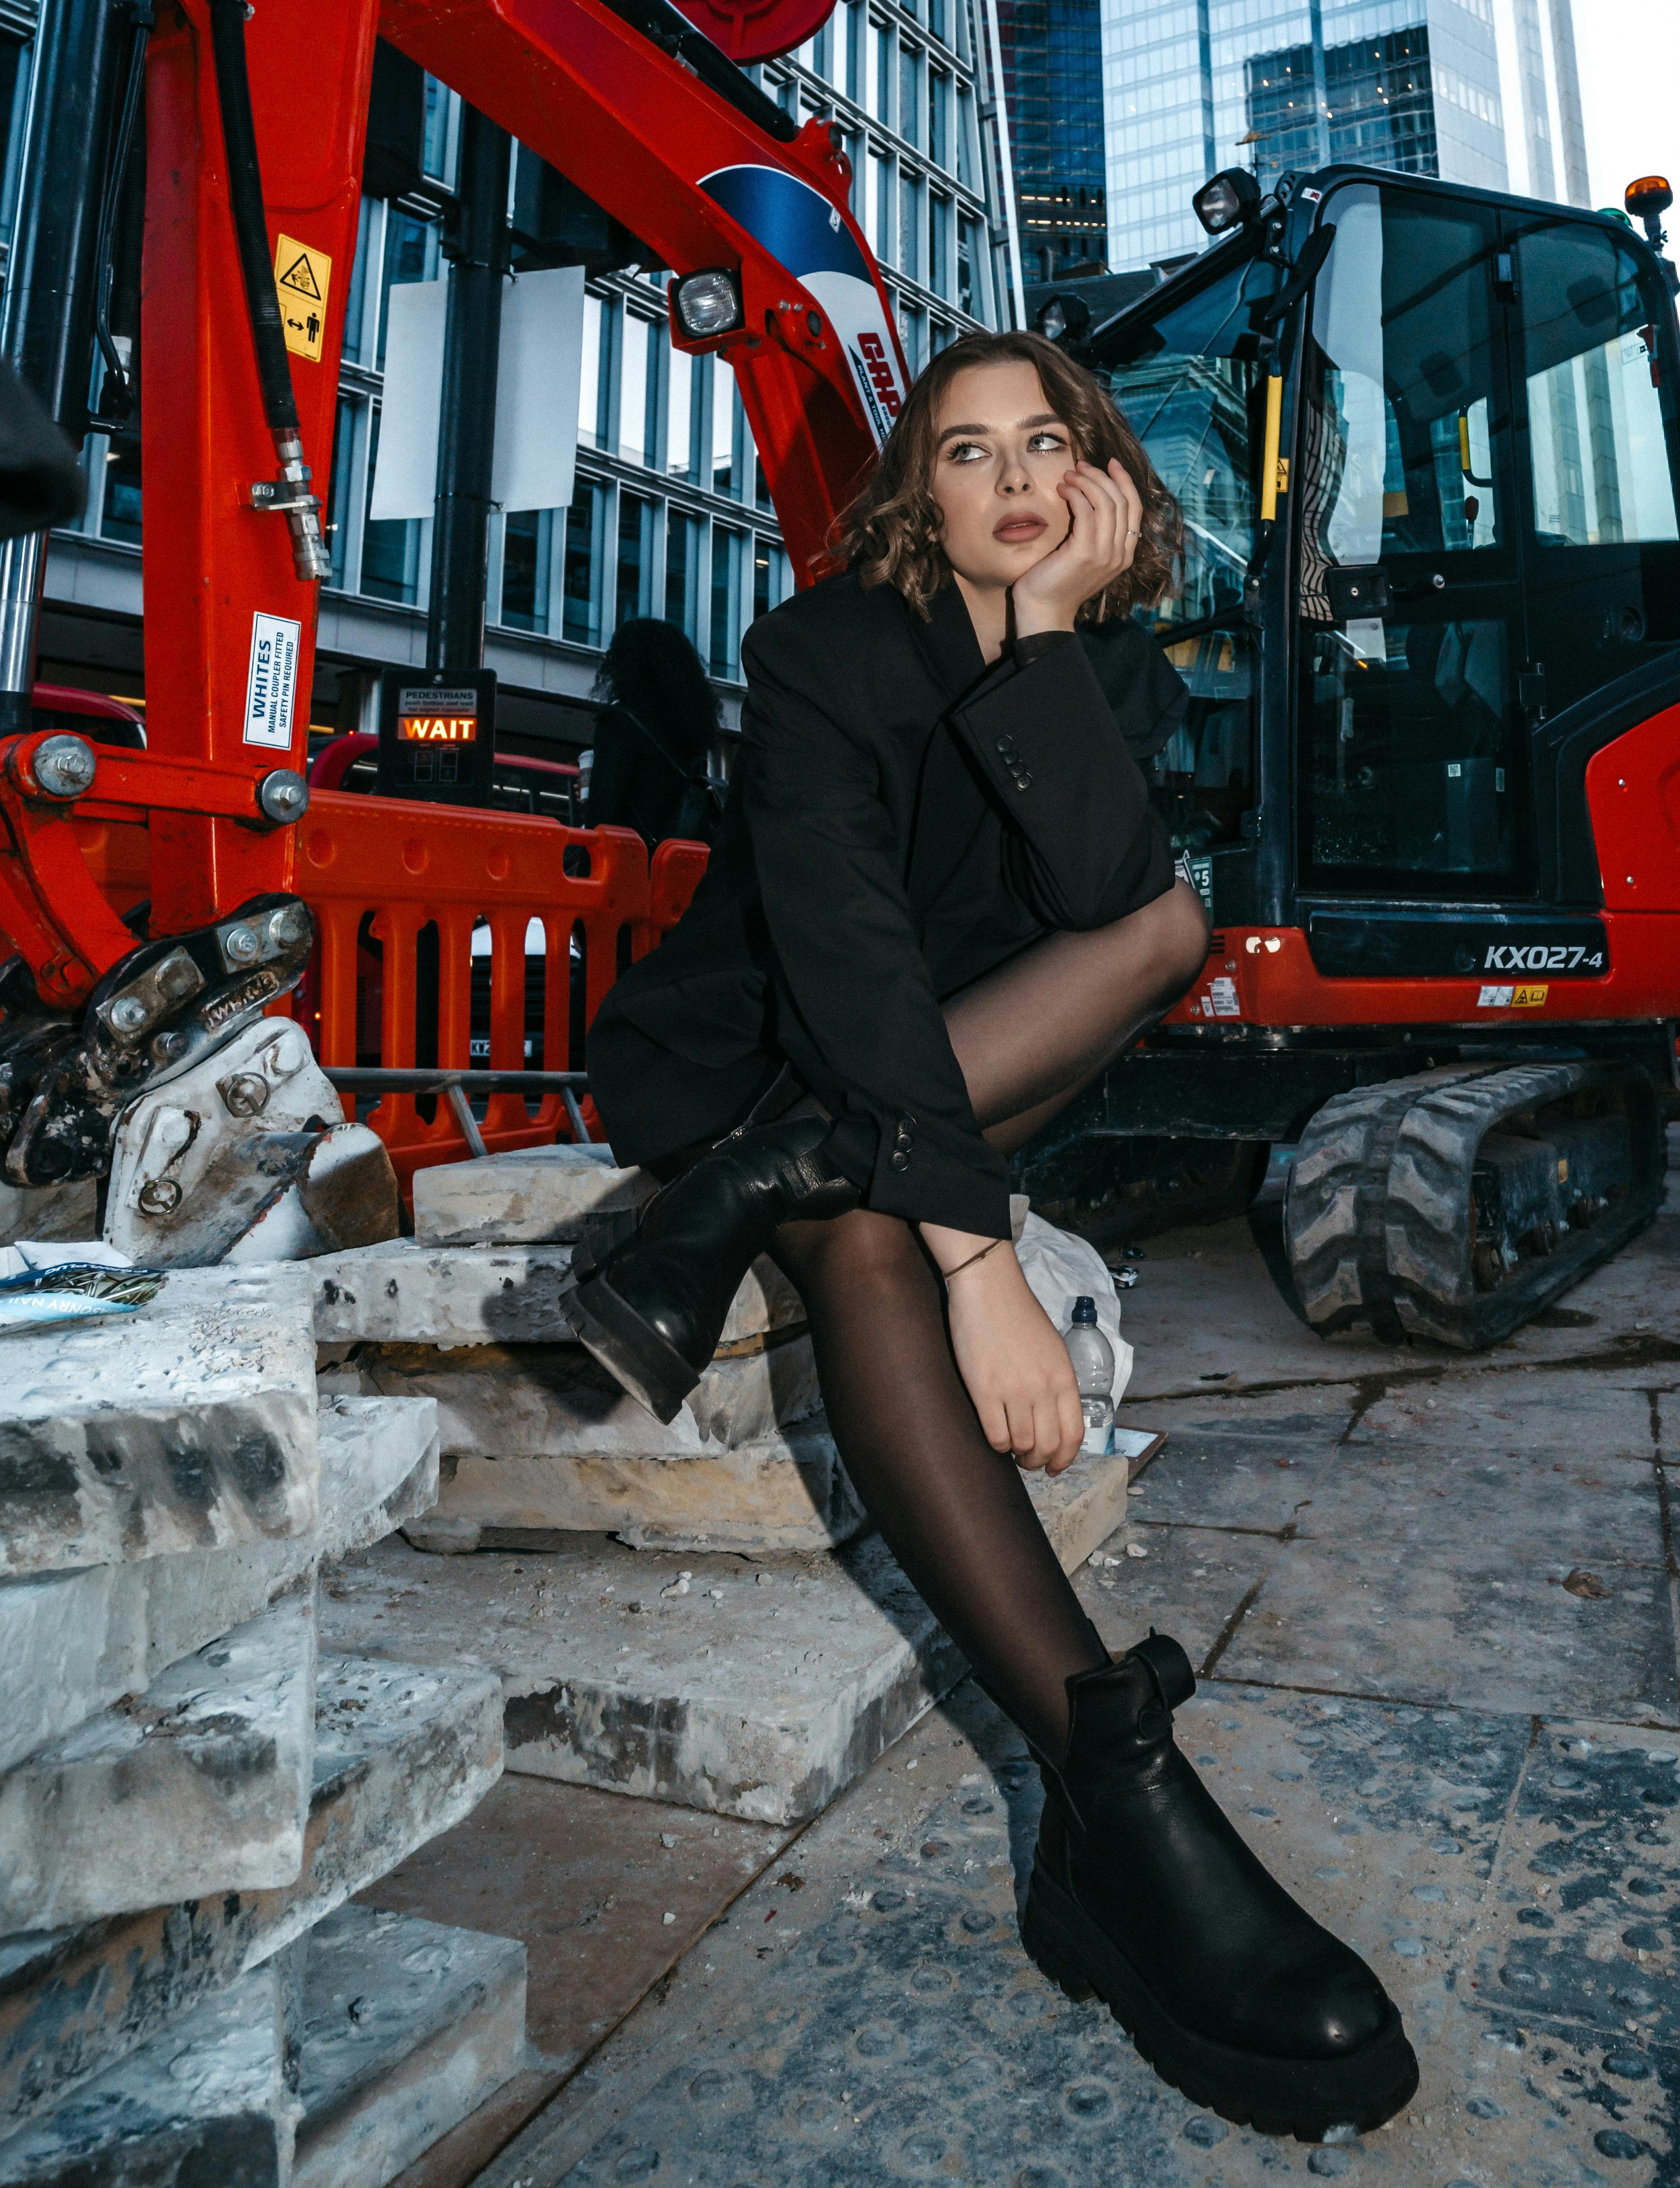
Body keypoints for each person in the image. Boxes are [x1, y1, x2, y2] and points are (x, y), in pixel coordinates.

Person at [567, 331, 1416, 2141]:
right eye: (968, 451)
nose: (1015, 479)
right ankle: (1108, 1768)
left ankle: (783, 1190)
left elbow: (1109, 919)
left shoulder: (1113, 677)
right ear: (914, 497)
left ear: (1100, 482)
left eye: (1050, 443)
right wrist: (977, 1267)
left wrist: (1044, 649)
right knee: (874, 1244)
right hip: (767, 1059)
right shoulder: (821, 655)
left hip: (930, 1085)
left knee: (1169, 929)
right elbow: (851, 962)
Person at [583, 616, 724, 849]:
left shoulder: (620, 722)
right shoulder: (692, 730)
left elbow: (605, 816)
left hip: (629, 865)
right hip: (677, 866)